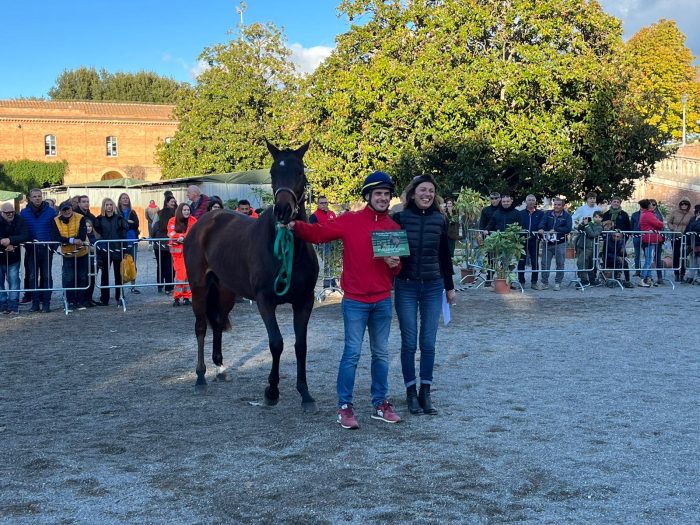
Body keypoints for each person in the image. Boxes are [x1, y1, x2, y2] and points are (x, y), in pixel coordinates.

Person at [287, 171, 403, 430]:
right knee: (351, 354)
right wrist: (296, 225)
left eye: (386, 194)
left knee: (381, 354)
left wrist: (395, 265)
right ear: (368, 196)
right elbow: (318, 233)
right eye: (378, 194)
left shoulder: (394, 228)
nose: (383, 198)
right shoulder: (350, 220)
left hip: (383, 300)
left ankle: (381, 403)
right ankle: (345, 407)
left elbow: (397, 270)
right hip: (355, 302)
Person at [391, 175, 455, 416]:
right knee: (408, 342)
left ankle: (425, 390)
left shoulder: (440, 219)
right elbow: (389, 252)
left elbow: (444, 257)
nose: (426, 194)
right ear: (412, 193)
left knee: (427, 343)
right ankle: (410, 392)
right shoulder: (399, 218)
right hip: (406, 286)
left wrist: (449, 287)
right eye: (422, 190)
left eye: (430, 191)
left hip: (432, 286)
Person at [20, 188, 57, 312]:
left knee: (46, 276)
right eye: (34, 196)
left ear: (42, 197)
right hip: (31, 250)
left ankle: (46, 303)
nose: (37, 198)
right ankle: (35, 303)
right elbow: (22, 230)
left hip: (46, 249)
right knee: (32, 277)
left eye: (39, 196)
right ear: (30, 198)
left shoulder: (51, 212)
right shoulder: (24, 213)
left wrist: (53, 247)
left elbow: (56, 230)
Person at [51, 201, 89, 310]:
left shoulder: (80, 218)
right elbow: (55, 237)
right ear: (60, 211)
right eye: (64, 210)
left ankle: (80, 301)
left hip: (82, 253)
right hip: (67, 254)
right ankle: (70, 301)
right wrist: (72, 240)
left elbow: (82, 236)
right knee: (69, 278)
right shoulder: (56, 221)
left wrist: (66, 240)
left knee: (82, 277)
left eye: (68, 209)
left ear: (72, 208)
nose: (67, 211)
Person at [93, 197, 128, 305]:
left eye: (110, 204)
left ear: (113, 206)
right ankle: (104, 298)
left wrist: (125, 249)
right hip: (105, 250)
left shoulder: (119, 219)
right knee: (105, 275)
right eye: (107, 205)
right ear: (104, 206)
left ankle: (119, 296)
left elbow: (123, 235)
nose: (109, 207)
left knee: (118, 275)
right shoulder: (99, 219)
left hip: (117, 249)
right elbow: (98, 233)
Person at [536, 197, 572, 291]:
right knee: (544, 263)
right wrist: (541, 228)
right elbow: (542, 223)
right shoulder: (547, 214)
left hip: (560, 243)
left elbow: (568, 228)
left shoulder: (567, 216)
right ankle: (544, 282)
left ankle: (558, 283)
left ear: (563, 206)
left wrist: (556, 229)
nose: (556, 206)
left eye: (559, 204)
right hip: (547, 243)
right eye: (555, 204)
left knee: (560, 263)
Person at [0, 203, 29, 314]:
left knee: (14, 281)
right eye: (7, 213)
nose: (10, 214)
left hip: (13, 257)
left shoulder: (19, 219)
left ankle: (13, 305)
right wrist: (4, 242)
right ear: (2, 212)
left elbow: (25, 235)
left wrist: (11, 241)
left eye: (12, 212)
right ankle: (2, 304)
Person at [167, 203, 197, 307]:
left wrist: (183, 237)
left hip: (190, 252)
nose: (186, 212)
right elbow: (170, 233)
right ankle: (177, 296)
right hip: (177, 253)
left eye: (188, 210)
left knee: (188, 275)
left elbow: (194, 233)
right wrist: (180, 236)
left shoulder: (193, 220)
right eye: (184, 210)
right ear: (180, 211)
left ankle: (186, 297)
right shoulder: (172, 220)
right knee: (181, 275)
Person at [309, 196, 338, 288]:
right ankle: (326, 283)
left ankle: (332, 281)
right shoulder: (314, 216)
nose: (324, 205)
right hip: (321, 244)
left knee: (331, 262)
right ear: (318, 204)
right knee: (326, 262)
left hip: (333, 243)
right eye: (321, 203)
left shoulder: (332, 214)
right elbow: (312, 231)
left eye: (325, 203)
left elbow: (336, 226)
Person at [517, 194, 544, 289]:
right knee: (521, 261)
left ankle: (534, 282)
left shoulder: (540, 213)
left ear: (535, 202)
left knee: (535, 261)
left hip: (534, 240)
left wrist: (540, 229)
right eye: (529, 200)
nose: (531, 202)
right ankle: (521, 281)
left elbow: (542, 224)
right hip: (522, 240)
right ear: (526, 201)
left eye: (533, 200)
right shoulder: (520, 213)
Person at [152, 194, 177, 294]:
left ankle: (160, 285)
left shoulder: (158, 218)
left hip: (159, 245)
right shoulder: (174, 218)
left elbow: (153, 230)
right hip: (170, 245)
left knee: (160, 265)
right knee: (170, 266)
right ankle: (169, 287)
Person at [117, 193, 141, 294]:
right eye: (123, 198)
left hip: (132, 239)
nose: (125, 200)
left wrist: (126, 223)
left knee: (132, 262)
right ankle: (120, 286)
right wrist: (128, 222)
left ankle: (133, 286)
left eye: (127, 198)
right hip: (121, 241)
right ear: (120, 200)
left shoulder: (132, 212)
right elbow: (118, 225)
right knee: (120, 263)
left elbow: (136, 224)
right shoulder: (117, 212)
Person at [638, 199, 665, 287]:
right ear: (648, 205)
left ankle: (647, 279)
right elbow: (660, 224)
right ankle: (642, 279)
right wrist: (661, 223)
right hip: (650, 239)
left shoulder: (644, 214)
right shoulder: (649, 214)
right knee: (649, 260)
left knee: (649, 259)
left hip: (648, 238)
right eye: (651, 204)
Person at [667, 197, 693, 282]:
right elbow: (669, 222)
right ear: (680, 204)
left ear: (688, 205)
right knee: (676, 255)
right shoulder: (674, 212)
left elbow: (692, 224)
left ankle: (682, 273)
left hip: (686, 237)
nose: (684, 205)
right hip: (676, 236)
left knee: (684, 256)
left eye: (686, 204)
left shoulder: (691, 214)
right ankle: (676, 273)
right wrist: (673, 229)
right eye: (682, 203)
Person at [478, 192, 501, 284]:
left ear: (499, 199)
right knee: (491, 259)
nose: (494, 200)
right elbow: (482, 224)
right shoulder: (486, 210)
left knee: (504, 259)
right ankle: (489, 278)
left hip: (502, 237)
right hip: (490, 238)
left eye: (496, 198)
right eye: (492, 198)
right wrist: (483, 236)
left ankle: (503, 279)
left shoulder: (503, 209)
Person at [575, 211, 603, 286]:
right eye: (596, 217)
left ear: (601, 218)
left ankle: (585, 281)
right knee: (587, 264)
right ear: (593, 217)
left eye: (599, 217)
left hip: (589, 247)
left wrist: (587, 225)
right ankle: (590, 281)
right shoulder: (590, 223)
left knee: (582, 263)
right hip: (581, 245)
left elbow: (593, 234)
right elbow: (579, 229)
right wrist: (582, 223)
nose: (597, 218)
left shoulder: (599, 227)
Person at [683, 205, 700, 284]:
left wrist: (696, 220)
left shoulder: (695, 220)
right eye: (696, 212)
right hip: (693, 243)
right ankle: (690, 277)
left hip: (698, 242)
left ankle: (698, 277)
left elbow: (696, 228)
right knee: (692, 260)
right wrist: (687, 243)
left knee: (699, 261)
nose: (697, 214)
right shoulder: (692, 219)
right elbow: (688, 230)